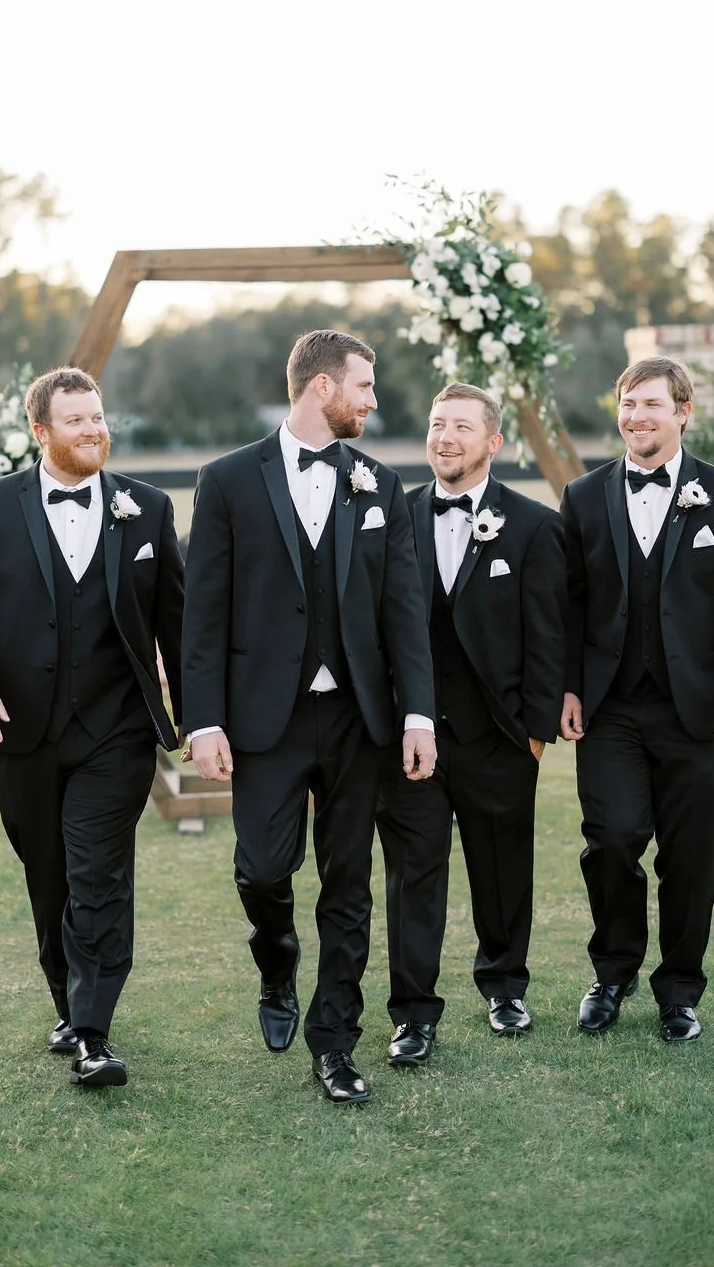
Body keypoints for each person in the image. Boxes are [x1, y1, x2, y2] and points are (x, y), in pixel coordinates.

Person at [181, 329, 436, 1105]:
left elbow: (404, 611)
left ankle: (334, 1044)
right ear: (321, 389)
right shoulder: (226, 482)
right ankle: (277, 959)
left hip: (360, 718)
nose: (373, 400)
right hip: (266, 718)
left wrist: (419, 712)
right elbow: (204, 614)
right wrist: (204, 720)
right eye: (363, 386)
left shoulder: (379, 486)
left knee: (349, 885)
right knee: (261, 869)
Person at [0, 366, 184, 1088]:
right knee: (49, 878)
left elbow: (179, 622)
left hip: (116, 731)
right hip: (19, 731)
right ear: (41, 432)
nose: (94, 430)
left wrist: (198, 720)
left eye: (98, 416)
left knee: (97, 874)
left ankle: (94, 1034)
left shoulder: (148, 507)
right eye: (76, 420)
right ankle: (67, 1003)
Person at [559, 356, 714, 1042]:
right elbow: (566, 604)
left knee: (692, 855)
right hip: (611, 707)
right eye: (627, 403)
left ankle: (680, 990)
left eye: (651, 404)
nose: (636, 417)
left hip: (700, 709)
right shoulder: (584, 497)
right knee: (614, 839)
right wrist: (565, 684)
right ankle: (613, 973)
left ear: (684, 411)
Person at [376, 384, 567, 1066]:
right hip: (412, 740)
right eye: (436, 425)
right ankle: (412, 1013)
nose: (445, 437)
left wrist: (534, 735)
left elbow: (549, 639)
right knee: (413, 875)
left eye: (461, 426)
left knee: (502, 868)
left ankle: (505, 985)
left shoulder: (537, 527)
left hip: (500, 739)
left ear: (494, 442)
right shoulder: (391, 517)